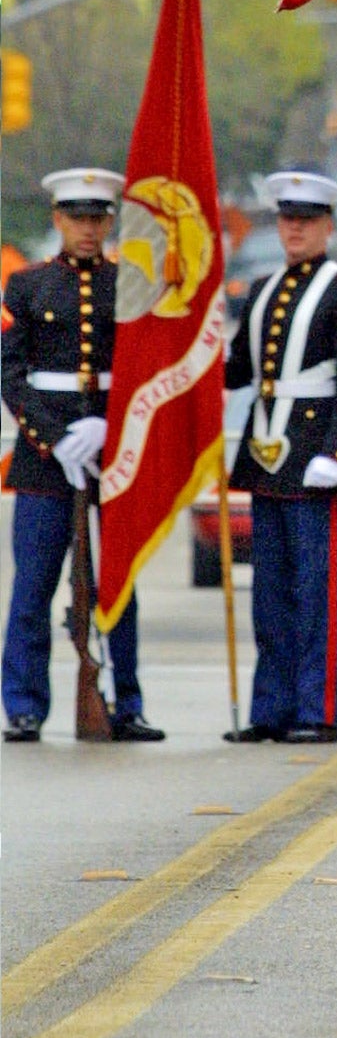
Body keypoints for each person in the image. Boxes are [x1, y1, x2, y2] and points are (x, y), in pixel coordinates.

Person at [1, 170, 164, 742]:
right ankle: (24, 704)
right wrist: (55, 437)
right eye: (77, 218)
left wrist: (108, 427)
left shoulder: (130, 286)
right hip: (46, 459)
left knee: (118, 586)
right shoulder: (25, 286)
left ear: (110, 221)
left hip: (112, 453)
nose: (88, 229)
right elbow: (11, 375)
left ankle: (126, 701)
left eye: (98, 219)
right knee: (34, 587)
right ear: (58, 220)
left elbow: (146, 373)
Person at [222, 172, 337, 743]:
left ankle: (316, 711)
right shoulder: (263, 288)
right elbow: (240, 370)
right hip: (267, 463)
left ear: (326, 227)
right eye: (287, 219)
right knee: (270, 598)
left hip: (315, 462)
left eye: (306, 221)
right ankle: (271, 709)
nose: (294, 229)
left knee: (315, 598)